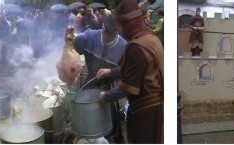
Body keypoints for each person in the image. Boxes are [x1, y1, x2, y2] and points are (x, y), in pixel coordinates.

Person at [97, 0, 164, 143]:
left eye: (120, 26)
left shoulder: (137, 47)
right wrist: (110, 72)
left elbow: (127, 88)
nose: (119, 31)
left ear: (130, 23)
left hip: (147, 113)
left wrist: (105, 96)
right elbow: (136, 70)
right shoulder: (151, 38)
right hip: (156, 108)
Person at [66, 14, 128, 142]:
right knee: (85, 121)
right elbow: (73, 44)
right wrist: (69, 37)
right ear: (102, 27)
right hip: (90, 82)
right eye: (104, 31)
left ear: (117, 31)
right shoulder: (90, 36)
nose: (105, 36)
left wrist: (111, 72)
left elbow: (128, 72)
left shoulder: (124, 47)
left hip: (110, 89)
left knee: (109, 125)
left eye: (109, 33)